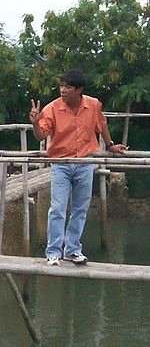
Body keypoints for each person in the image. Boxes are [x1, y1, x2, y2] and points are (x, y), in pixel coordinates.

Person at [29, 69, 127, 266]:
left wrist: (109, 145)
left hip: (84, 162)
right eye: (61, 86)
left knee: (80, 208)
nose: (63, 90)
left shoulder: (93, 105)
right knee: (57, 208)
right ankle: (53, 252)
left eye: (68, 87)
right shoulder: (52, 108)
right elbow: (41, 136)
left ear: (79, 90)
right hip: (61, 164)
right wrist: (35, 123)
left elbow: (102, 125)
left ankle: (73, 249)